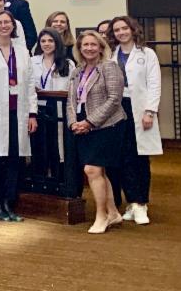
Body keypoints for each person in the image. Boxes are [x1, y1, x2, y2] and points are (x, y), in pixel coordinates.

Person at [0, 11, 38, 223]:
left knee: (14, 159)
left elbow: (30, 84)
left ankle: (9, 203)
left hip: (18, 113)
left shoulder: (22, 51)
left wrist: (32, 114)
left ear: (13, 25)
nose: (4, 26)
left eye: (7, 22)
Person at [68, 30, 127, 234]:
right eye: (85, 45)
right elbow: (71, 101)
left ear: (101, 47)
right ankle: (113, 213)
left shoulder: (109, 67)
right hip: (83, 126)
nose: (89, 48)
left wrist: (89, 122)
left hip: (107, 126)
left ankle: (101, 215)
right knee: (97, 171)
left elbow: (114, 99)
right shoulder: (77, 70)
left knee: (91, 170)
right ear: (79, 48)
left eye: (94, 44)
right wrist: (73, 123)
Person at [109, 16, 162, 225]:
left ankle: (141, 203)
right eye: (117, 30)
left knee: (140, 158)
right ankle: (131, 202)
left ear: (132, 30)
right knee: (123, 157)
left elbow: (154, 84)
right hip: (118, 110)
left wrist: (150, 111)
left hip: (139, 110)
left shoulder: (147, 54)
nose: (121, 32)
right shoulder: (111, 55)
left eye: (124, 28)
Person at [30, 29, 74, 181]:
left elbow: (71, 88)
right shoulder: (32, 61)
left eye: (50, 41)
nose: (46, 44)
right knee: (40, 144)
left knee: (58, 145)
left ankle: (59, 179)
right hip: (38, 108)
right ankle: (41, 179)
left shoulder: (67, 63)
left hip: (60, 109)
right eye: (43, 41)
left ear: (57, 43)